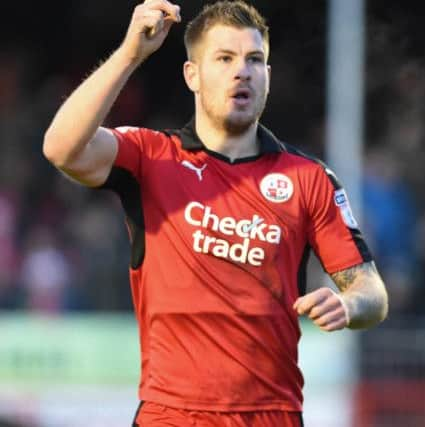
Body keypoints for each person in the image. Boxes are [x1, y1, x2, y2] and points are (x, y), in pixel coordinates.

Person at [43, 1, 389, 426]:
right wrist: (130, 55)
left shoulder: (309, 179)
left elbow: (372, 294)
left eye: (254, 60)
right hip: (171, 416)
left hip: (272, 415)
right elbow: (61, 148)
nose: (241, 71)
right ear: (193, 75)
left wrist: (347, 305)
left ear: (267, 78)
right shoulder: (152, 157)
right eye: (224, 59)